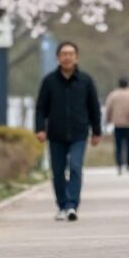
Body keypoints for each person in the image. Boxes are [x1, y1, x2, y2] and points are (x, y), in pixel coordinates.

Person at [34, 41, 101, 221]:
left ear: (76, 57)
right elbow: (41, 107)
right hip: (56, 133)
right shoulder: (49, 81)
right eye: (64, 54)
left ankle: (72, 205)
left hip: (79, 132)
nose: (67, 57)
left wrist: (97, 131)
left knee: (75, 167)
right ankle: (62, 205)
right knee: (58, 171)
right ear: (58, 57)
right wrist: (40, 128)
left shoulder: (86, 80)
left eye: (71, 54)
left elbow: (94, 107)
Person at [103, 76, 129, 173]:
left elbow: (108, 109)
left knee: (118, 146)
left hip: (117, 124)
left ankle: (119, 164)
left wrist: (107, 120)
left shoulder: (113, 95)